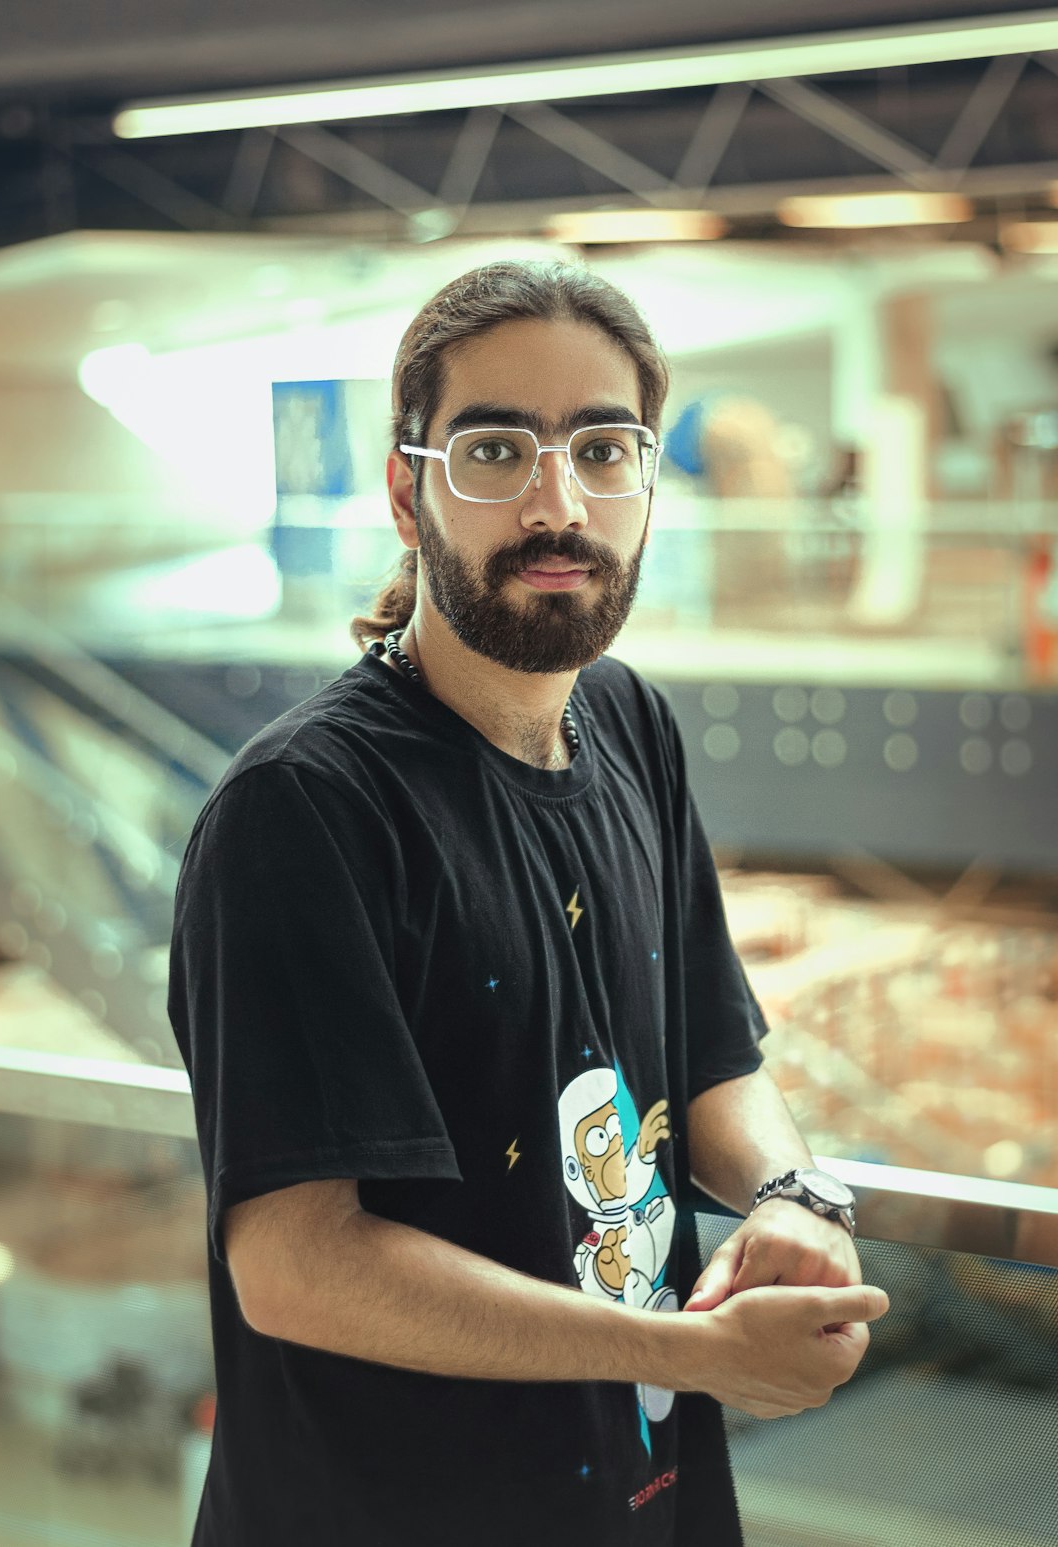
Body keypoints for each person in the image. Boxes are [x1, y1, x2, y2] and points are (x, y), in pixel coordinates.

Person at [168, 259, 889, 1547]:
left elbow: (714, 1057)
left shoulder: (628, 723)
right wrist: (693, 1350)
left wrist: (795, 1196)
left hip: (641, 1498)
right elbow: (299, 1267)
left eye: (604, 449)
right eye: (496, 449)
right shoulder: (304, 813)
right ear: (408, 490)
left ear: (650, 483)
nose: (559, 503)